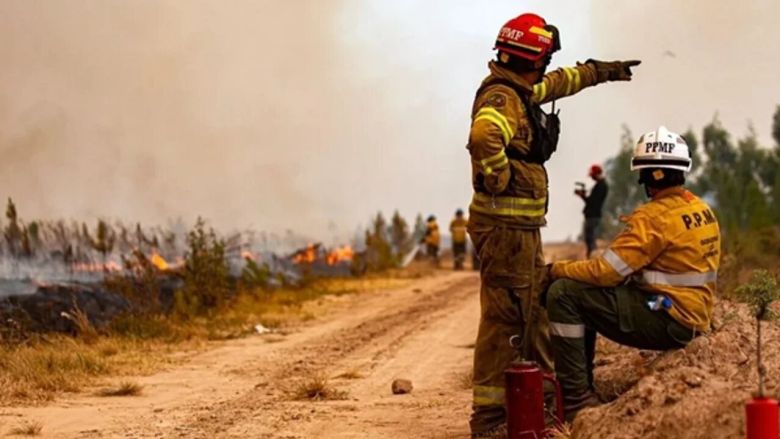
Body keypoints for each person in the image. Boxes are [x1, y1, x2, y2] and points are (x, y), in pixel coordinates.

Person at [466, 12, 641, 437]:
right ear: (532, 57)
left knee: (526, 314)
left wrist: (600, 72)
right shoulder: (503, 99)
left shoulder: (522, 89)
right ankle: (493, 419)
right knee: (508, 319)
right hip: (506, 230)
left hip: (518, 231)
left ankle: (525, 405)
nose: (547, 66)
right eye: (544, 58)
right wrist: (500, 176)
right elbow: (484, 136)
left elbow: (561, 81)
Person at [546, 126, 721, 421]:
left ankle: (575, 401)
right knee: (583, 293)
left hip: (668, 317)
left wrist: (555, 270)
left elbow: (605, 272)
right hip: (693, 314)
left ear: (648, 176)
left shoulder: (653, 218)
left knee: (564, 293)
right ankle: (581, 389)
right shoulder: (702, 209)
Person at [575, 164, 609, 258]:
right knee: (590, 238)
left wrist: (583, 196)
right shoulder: (601, 185)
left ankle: (593, 258)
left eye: (592, 176)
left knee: (590, 239)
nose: (592, 178)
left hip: (592, 216)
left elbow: (592, 202)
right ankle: (591, 258)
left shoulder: (601, 186)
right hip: (593, 216)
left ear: (596, 174)